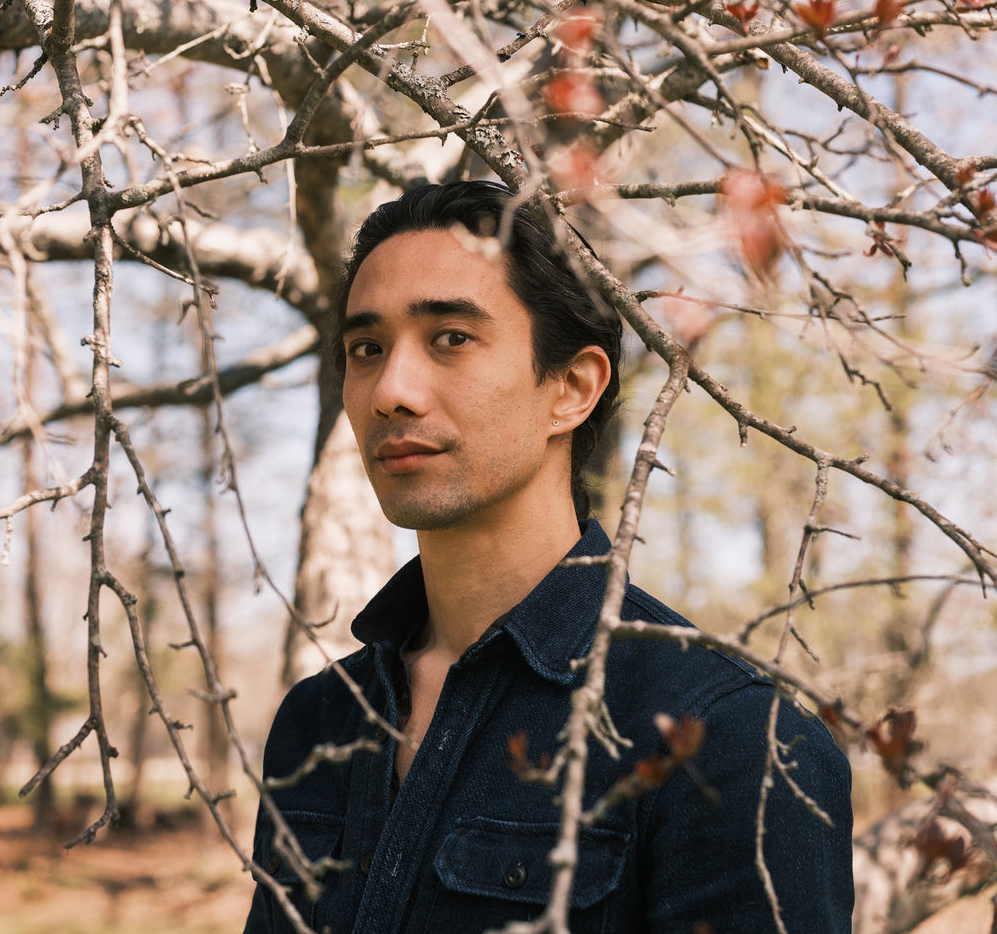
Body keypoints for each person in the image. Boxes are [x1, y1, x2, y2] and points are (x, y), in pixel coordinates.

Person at [242, 181, 854, 934]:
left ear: (571, 388)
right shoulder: (319, 720)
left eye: (451, 338)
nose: (389, 391)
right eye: (366, 350)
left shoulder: (729, 741)